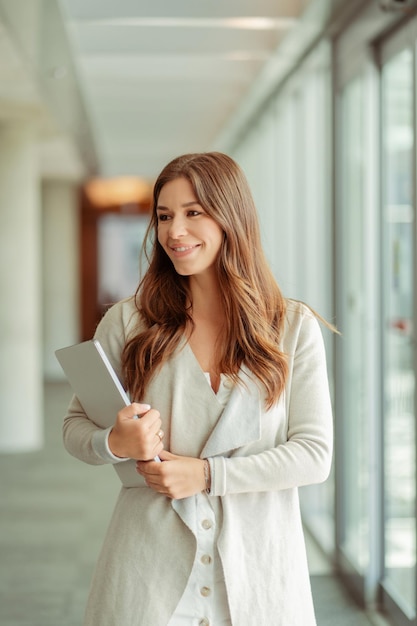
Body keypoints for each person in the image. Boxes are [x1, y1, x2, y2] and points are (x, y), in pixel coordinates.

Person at [63, 151, 334, 626]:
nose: (174, 232)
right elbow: (74, 426)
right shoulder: (129, 322)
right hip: (147, 580)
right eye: (164, 216)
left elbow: (314, 455)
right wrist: (113, 441)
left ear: (232, 217)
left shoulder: (292, 328)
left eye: (194, 213)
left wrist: (208, 475)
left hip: (258, 581)